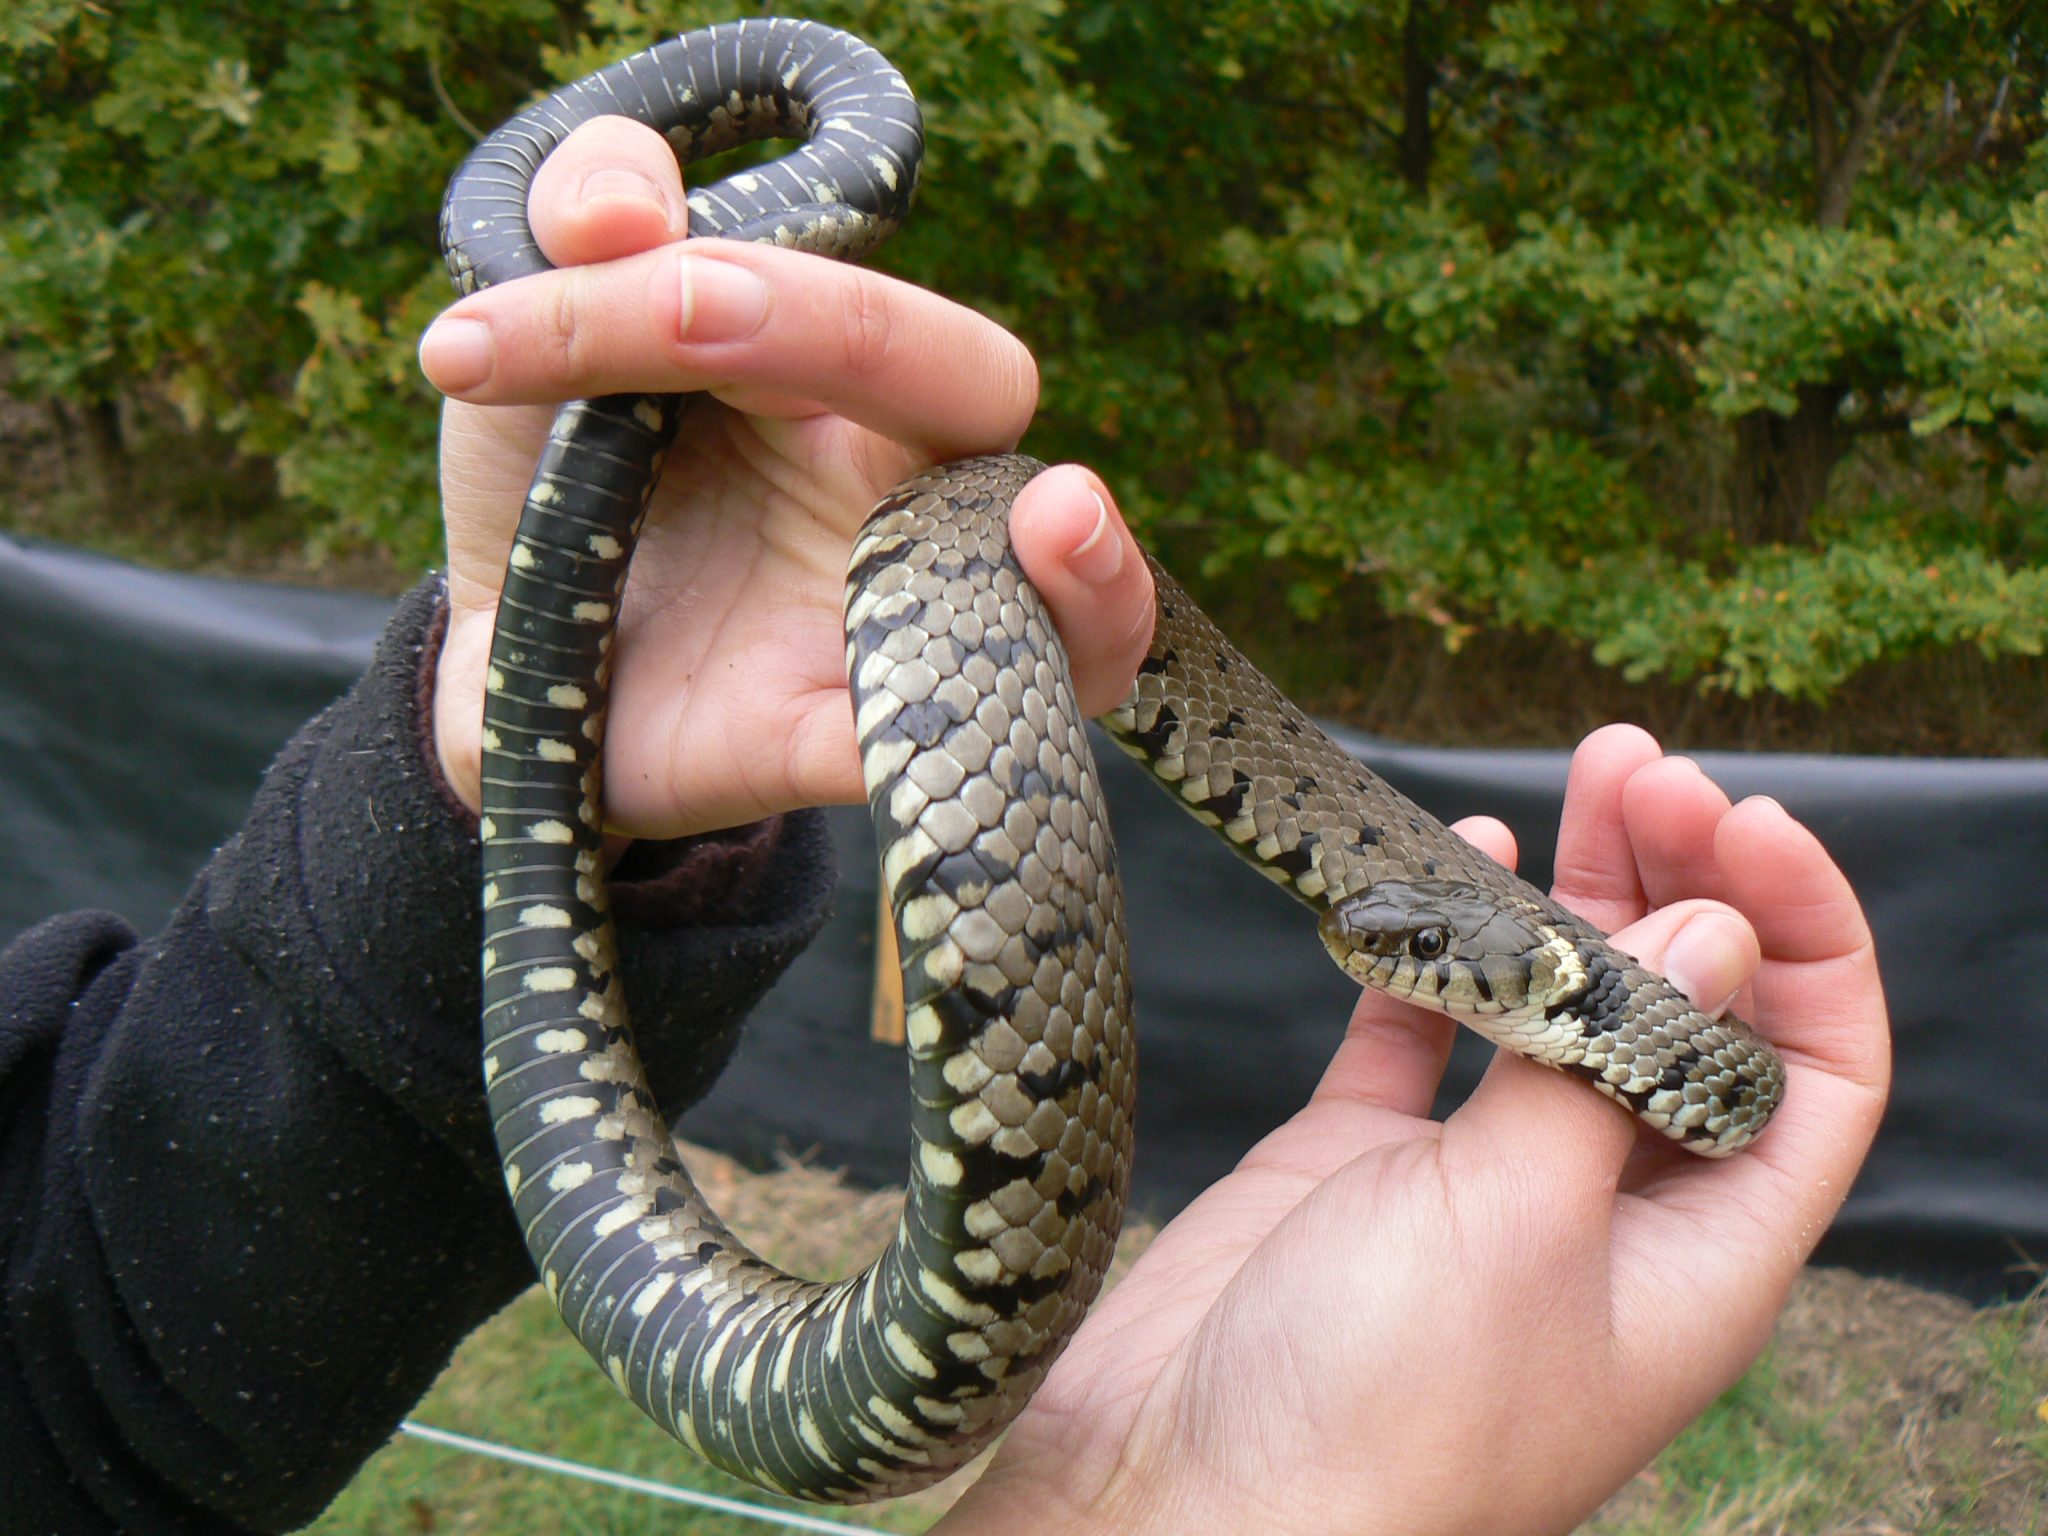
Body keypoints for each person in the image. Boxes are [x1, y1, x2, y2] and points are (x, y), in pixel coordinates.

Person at [0, 117, 1888, 1536]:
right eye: (1390, 936)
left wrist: (490, 781)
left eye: (1409, 953)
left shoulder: (1626, 1024)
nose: (1367, 951)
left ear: (1529, 988)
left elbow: (96, 1381)